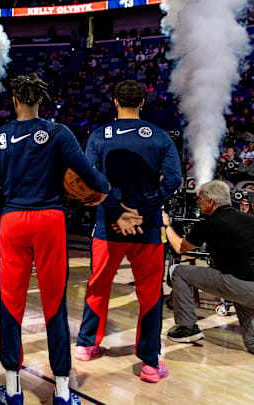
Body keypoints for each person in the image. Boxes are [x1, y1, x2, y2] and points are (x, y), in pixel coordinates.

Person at [0, 73, 109, 405]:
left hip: (13, 222)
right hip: (50, 221)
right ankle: (61, 391)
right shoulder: (58, 133)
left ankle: (14, 390)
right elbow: (89, 175)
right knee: (54, 305)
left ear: (14, 101)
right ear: (39, 100)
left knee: (10, 304)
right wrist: (104, 189)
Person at [74, 80, 182, 383]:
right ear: (143, 103)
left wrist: (118, 211)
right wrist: (147, 208)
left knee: (98, 286)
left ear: (115, 101)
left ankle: (86, 344)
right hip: (146, 227)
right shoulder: (159, 137)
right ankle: (149, 363)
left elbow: (88, 179)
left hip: (107, 225)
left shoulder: (98, 135)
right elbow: (173, 179)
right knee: (149, 294)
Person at [163, 180, 254, 369]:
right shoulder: (252, 219)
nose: (198, 203)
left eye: (200, 199)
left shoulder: (212, 222)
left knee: (178, 271)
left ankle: (187, 328)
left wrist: (166, 225)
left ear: (211, 202)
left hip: (241, 286)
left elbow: (181, 248)